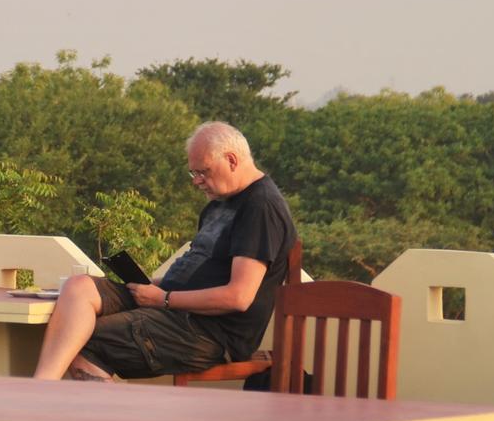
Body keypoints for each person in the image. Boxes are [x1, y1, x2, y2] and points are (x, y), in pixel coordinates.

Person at [33, 121, 297, 381]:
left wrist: (163, 298)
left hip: (209, 332)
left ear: (231, 160)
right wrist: (153, 287)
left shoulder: (260, 208)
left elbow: (238, 297)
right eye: (192, 173)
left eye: (203, 172)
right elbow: (203, 269)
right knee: (80, 287)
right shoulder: (219, 203)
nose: (196, 181)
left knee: (80, 339)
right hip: (172, 306)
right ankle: (41, 387)